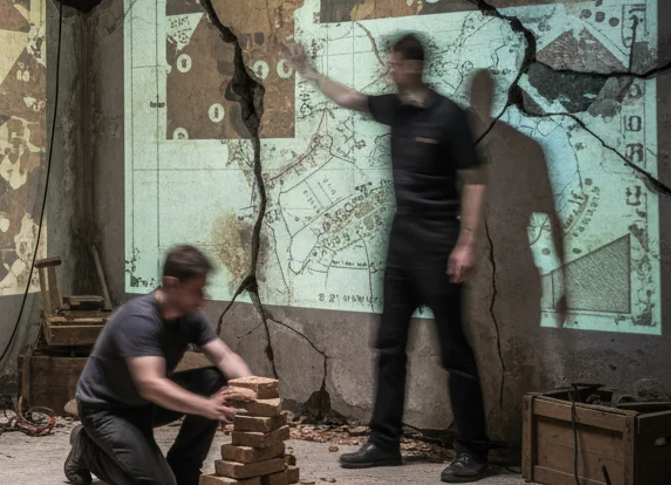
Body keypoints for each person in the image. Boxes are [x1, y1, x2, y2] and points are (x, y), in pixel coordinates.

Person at [290, 34, 491, 483]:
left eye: (394, 64)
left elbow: (475, 178)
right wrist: (307, 69)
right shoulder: (396, 108)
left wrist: (467, 242)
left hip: (440, 242)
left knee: (454, 351)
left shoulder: (448, 116)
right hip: (401, 242)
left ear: (413, 66)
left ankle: (474, 452)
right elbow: (349, 98)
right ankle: (384, 443)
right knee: (390, 346)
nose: (388, 70)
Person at [63, 245, 256, 485]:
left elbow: (224, 356)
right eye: (196, 289)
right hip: (107, 410)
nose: (202, 297)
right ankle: (87, 449)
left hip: (144, 405)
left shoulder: (190, 315)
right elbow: (151, 384)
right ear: (172, 283)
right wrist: (206, 406)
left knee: (217, 380)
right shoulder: (139, 319)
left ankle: (183, 467)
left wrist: (255, 391)